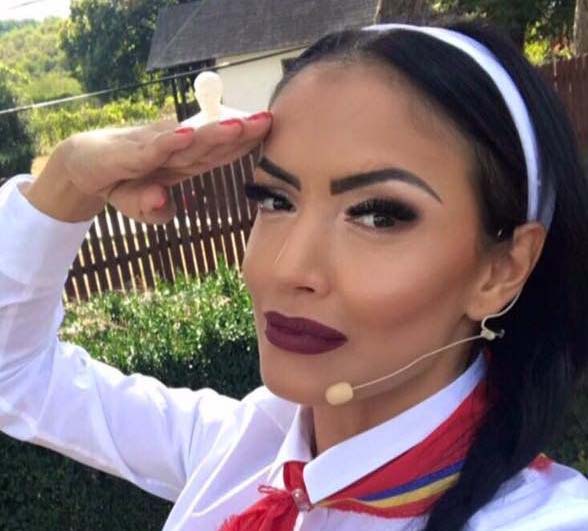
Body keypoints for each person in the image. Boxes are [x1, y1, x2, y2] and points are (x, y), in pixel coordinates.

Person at [1, 17, 588, 531]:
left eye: (378, 215)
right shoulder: (246, 447)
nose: (287, 269)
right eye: (275, 200)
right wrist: (68, 183)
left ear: (501, 269)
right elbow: (18, 375)